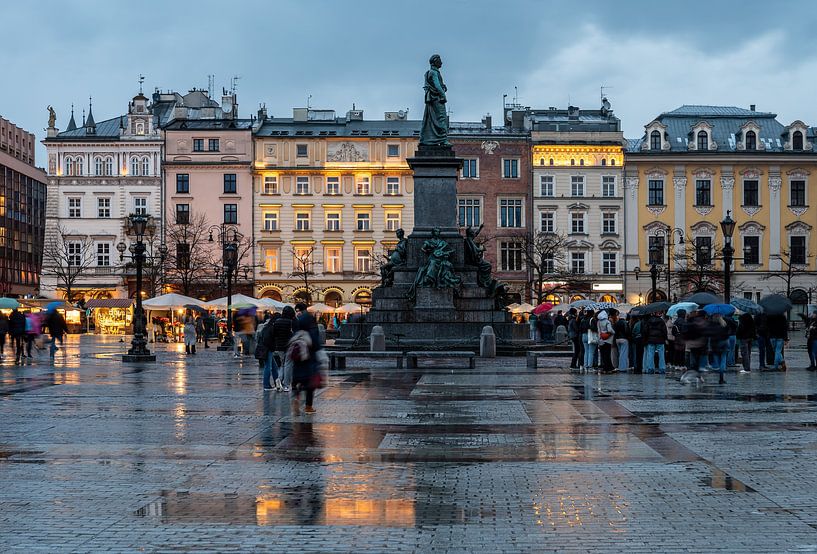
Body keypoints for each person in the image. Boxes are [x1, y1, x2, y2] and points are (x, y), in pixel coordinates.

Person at [290, 302, 322, 414]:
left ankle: (296, 397)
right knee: (309, 384)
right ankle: (308, 406)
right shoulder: (312, 331)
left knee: (299, 381)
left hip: (298, 362)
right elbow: (317, 345)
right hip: (309, 361)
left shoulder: (297, 333)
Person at [273, 306, 296, 392]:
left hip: (279, 346)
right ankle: (286, 385)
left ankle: (279, 380)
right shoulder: (291, 322)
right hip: (289, 345)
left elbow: (274, 334)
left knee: (282, 364)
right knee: (288, 364)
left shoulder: (277, 321)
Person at [708, 314, 731, 384]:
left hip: (715, 343)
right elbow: (728, 333)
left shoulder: (711, 325)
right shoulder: (724, 324)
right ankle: (722, 374)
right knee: (723, 358)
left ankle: (718, 369)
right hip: (725, 342)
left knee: (717, 358)